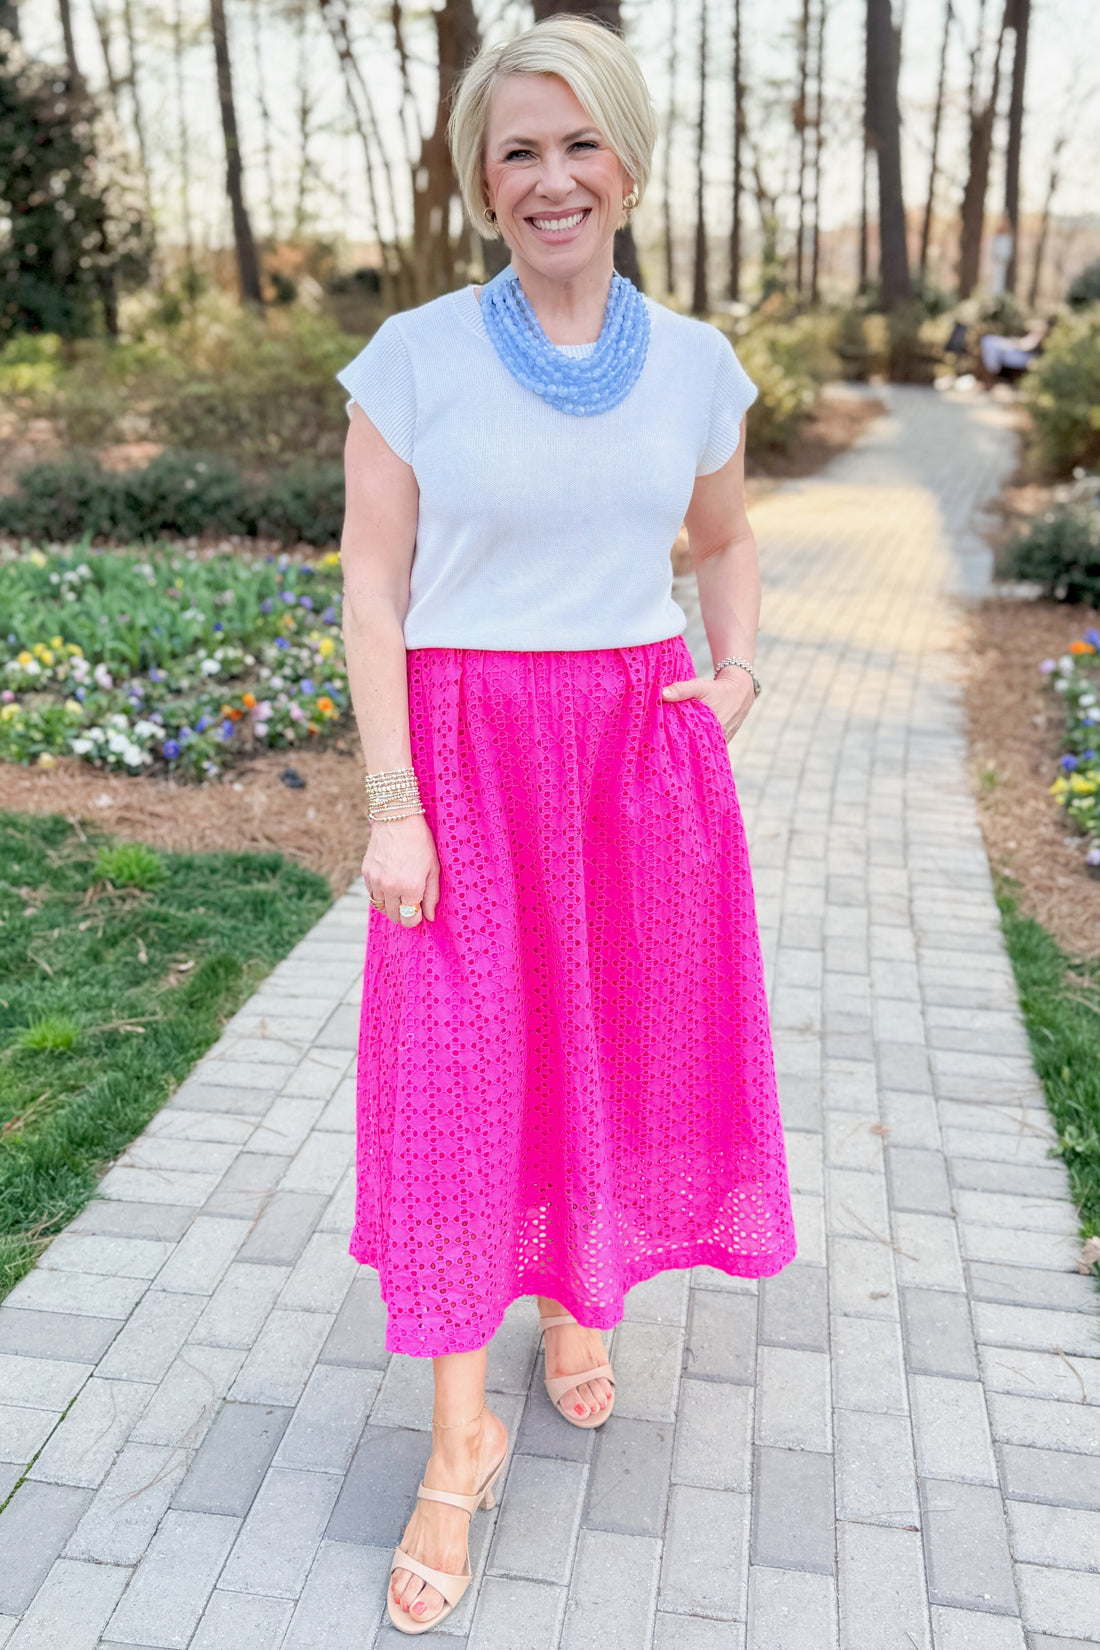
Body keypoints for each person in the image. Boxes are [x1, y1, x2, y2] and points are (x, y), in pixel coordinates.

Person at [335, 15, 796, 1635]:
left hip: (630, 762)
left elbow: (725, 540)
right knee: (460, 1086)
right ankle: (456, 1445)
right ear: (483, 179)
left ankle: (576, 1297)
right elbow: (373, 588)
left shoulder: (696, 365)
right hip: (463, 759)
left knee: (604, 1049)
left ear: (628, 166)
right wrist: (392, 801)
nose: (552, 178)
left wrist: (735, 675)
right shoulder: (413, 360)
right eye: (519, 149)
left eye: (580, 143)